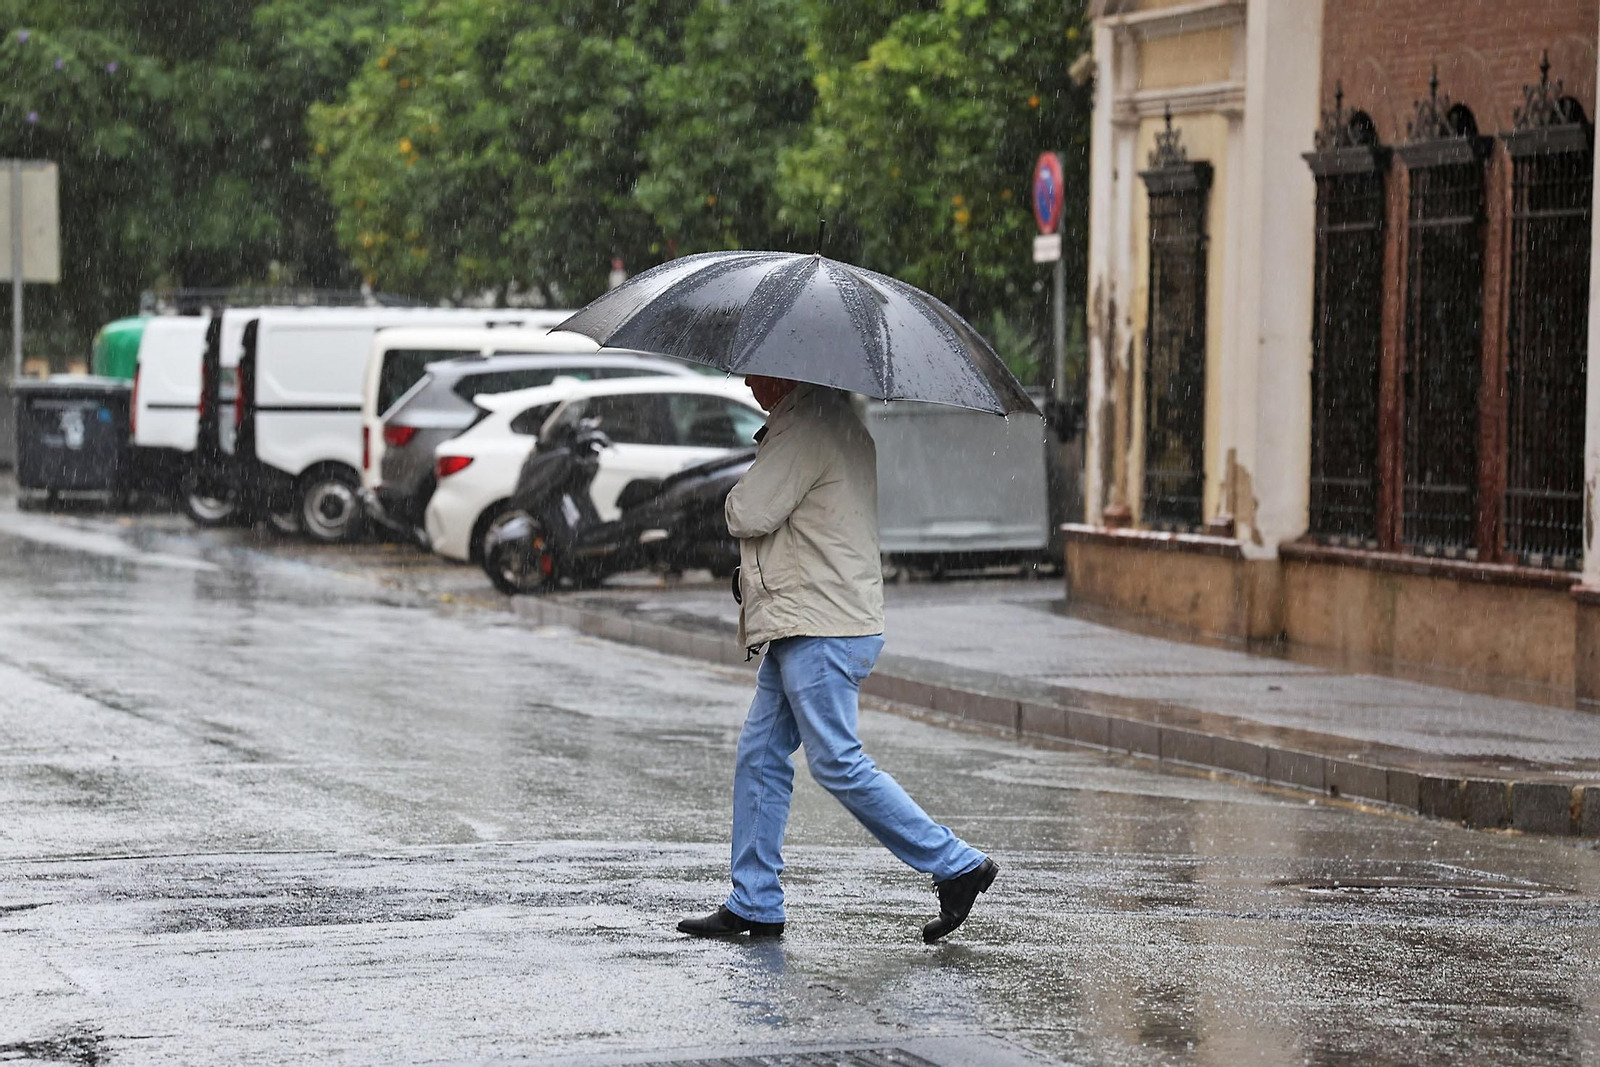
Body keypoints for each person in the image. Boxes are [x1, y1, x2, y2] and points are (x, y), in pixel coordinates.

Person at [676, 374, 998, 943]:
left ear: (787, 370)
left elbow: (748, 513)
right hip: (815, 619)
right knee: (761, 752)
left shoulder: (805, 426)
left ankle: (956, 864)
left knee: (837, 762)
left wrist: (735, 489)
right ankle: (753, 901)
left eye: (757, 371)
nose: (750, 383)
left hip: (822, 625)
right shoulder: (836, 419)